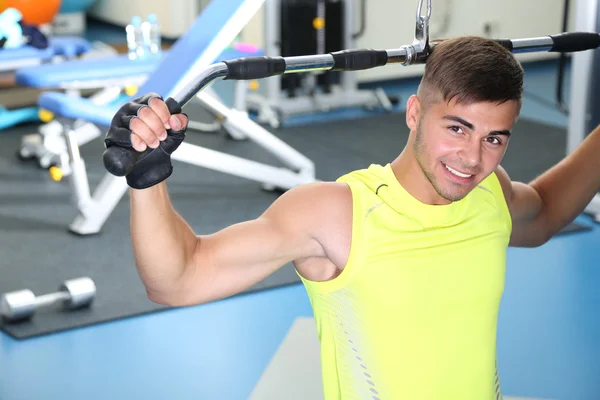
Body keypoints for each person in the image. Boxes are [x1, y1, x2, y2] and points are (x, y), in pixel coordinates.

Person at [103, 36, 600, 399]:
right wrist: (148, 180)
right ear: (413, 113)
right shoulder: (336, 214)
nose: (472, 158)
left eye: (494, 138)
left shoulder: (491, 192)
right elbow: (179, 279)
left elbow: (548, 211)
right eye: (457, 127)